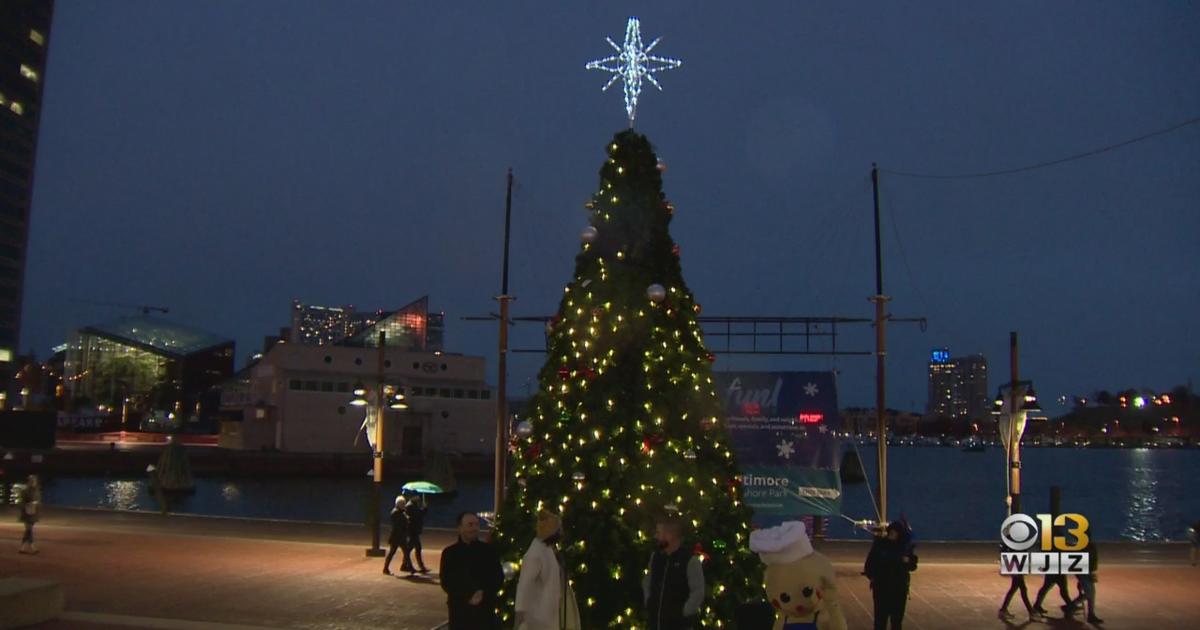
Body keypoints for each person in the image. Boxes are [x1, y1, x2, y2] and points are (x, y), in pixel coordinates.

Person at [514, 510, 581, 629]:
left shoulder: (549, 550)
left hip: (551, 615)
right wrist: (520, 616)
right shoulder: (535, 554)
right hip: (538, 619)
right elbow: (524, 586)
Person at [440, 511, 503, 630]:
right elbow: (447, 581)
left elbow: (498, 577)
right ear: (459, 528)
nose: (474, 528)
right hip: (460, 613)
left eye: (476, 524)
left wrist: (483, 593)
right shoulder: (449, 553)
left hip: (485, 613)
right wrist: (468, 595)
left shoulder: (488, 551)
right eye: (470, 525)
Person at [643, 514, 705, 630]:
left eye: (659, 533)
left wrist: (683, 612)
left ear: (670, 535)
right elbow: (647, 581)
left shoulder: (690, 561)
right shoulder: (656, 557)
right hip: (654, 623)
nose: (656, 536)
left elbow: (698, 592)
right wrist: (649, 602)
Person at [863, 521, 918, 630]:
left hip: (899, 589)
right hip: (881, 588)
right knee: (880, 620)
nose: (892, 535)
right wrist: (874, 577)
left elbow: (913, 565)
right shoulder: (880, 545)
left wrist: (907, 561)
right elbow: (870, 565)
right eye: (891, 532)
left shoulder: (904, 547)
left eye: (895, 533)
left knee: (896, 620)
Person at [1063, 540, 1102, 624]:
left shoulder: (1090, 546)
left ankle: (1090, 614)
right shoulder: (1088, 547)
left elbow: (1092, 562)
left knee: (1091, 594)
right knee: (1089, 594)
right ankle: (1071, 606)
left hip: (1086, 572)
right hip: (1083, 572)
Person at [382, 495, 409, 575]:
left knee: (405, 551)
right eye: (403, 504)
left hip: (399, 536)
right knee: (393, 552)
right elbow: (399, 525)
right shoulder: (396, 513)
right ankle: (386, 568)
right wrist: (406, 520)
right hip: (397, 536)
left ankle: (405, 565)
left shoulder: (399, 512)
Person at [403, 492, 429, 573]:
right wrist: (423, 509)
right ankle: (419, 566)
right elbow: (416, 516)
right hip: (412, 530)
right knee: (413, 548)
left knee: (414, 548)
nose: (418, 497)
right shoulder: (409, 506)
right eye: (417, 496)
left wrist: (424, 508)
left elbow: (420, 514)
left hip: (415, 530)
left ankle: (405, 564)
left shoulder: (414, 505)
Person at [17, 474, 40, 554]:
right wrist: (28, 504)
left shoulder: (37, 491)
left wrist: (35, 503)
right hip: (26, 512)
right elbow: (21, 502)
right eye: (32, 481)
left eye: (34, 481)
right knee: (29, 529)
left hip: (33, 512)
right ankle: (31, 547)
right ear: (29, 482)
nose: (33, 482)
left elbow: (38, 501)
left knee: (28, 530)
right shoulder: (24, 491)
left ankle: (22, 547)